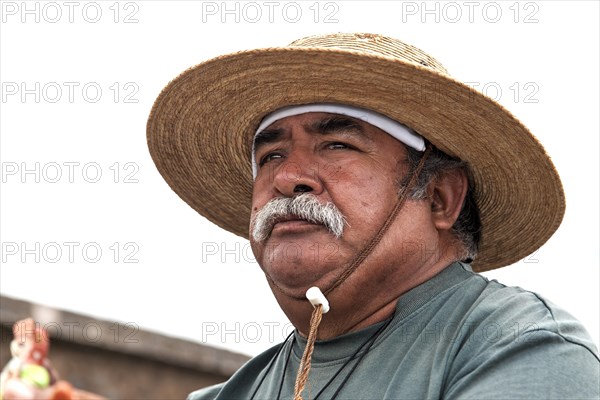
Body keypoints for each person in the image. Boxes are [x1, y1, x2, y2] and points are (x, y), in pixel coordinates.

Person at [147, 33, 600, 399]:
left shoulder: (518, 346)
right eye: (270, 155)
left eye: (337, 145)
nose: (286, 177)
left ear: (440, 197)